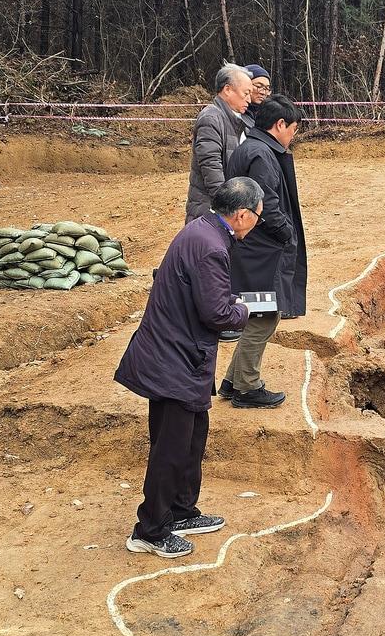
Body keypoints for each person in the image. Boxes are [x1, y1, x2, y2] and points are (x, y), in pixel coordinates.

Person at [115, 177, 263, 559]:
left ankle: (181, 510)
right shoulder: (211, 247)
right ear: (243, 215)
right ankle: (150, 529)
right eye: (257, 217)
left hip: (183, 356)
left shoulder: (203, 231)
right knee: (171, 445)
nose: (257, 223)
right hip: (173, 359)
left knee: (193, 435)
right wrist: (244, 309)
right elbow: (216, 313)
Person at [217, 95, 308, 409]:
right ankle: (247, 387)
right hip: (262, 251)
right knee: (265, 316)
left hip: (253, 249)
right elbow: (266, 205)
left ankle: (232, 382)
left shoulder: (252, 148)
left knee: (258, 314)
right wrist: (287, 233)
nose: (292, 137)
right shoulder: (261, 154)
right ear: (280, 124)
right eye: (292, 129)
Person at [185, 63, 254, 223]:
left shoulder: (235, 120)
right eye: (246, 93)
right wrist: (229, 207)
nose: (249, 100)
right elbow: (211, 166)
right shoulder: (211, 118)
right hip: (210, 211)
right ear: (228, 90)